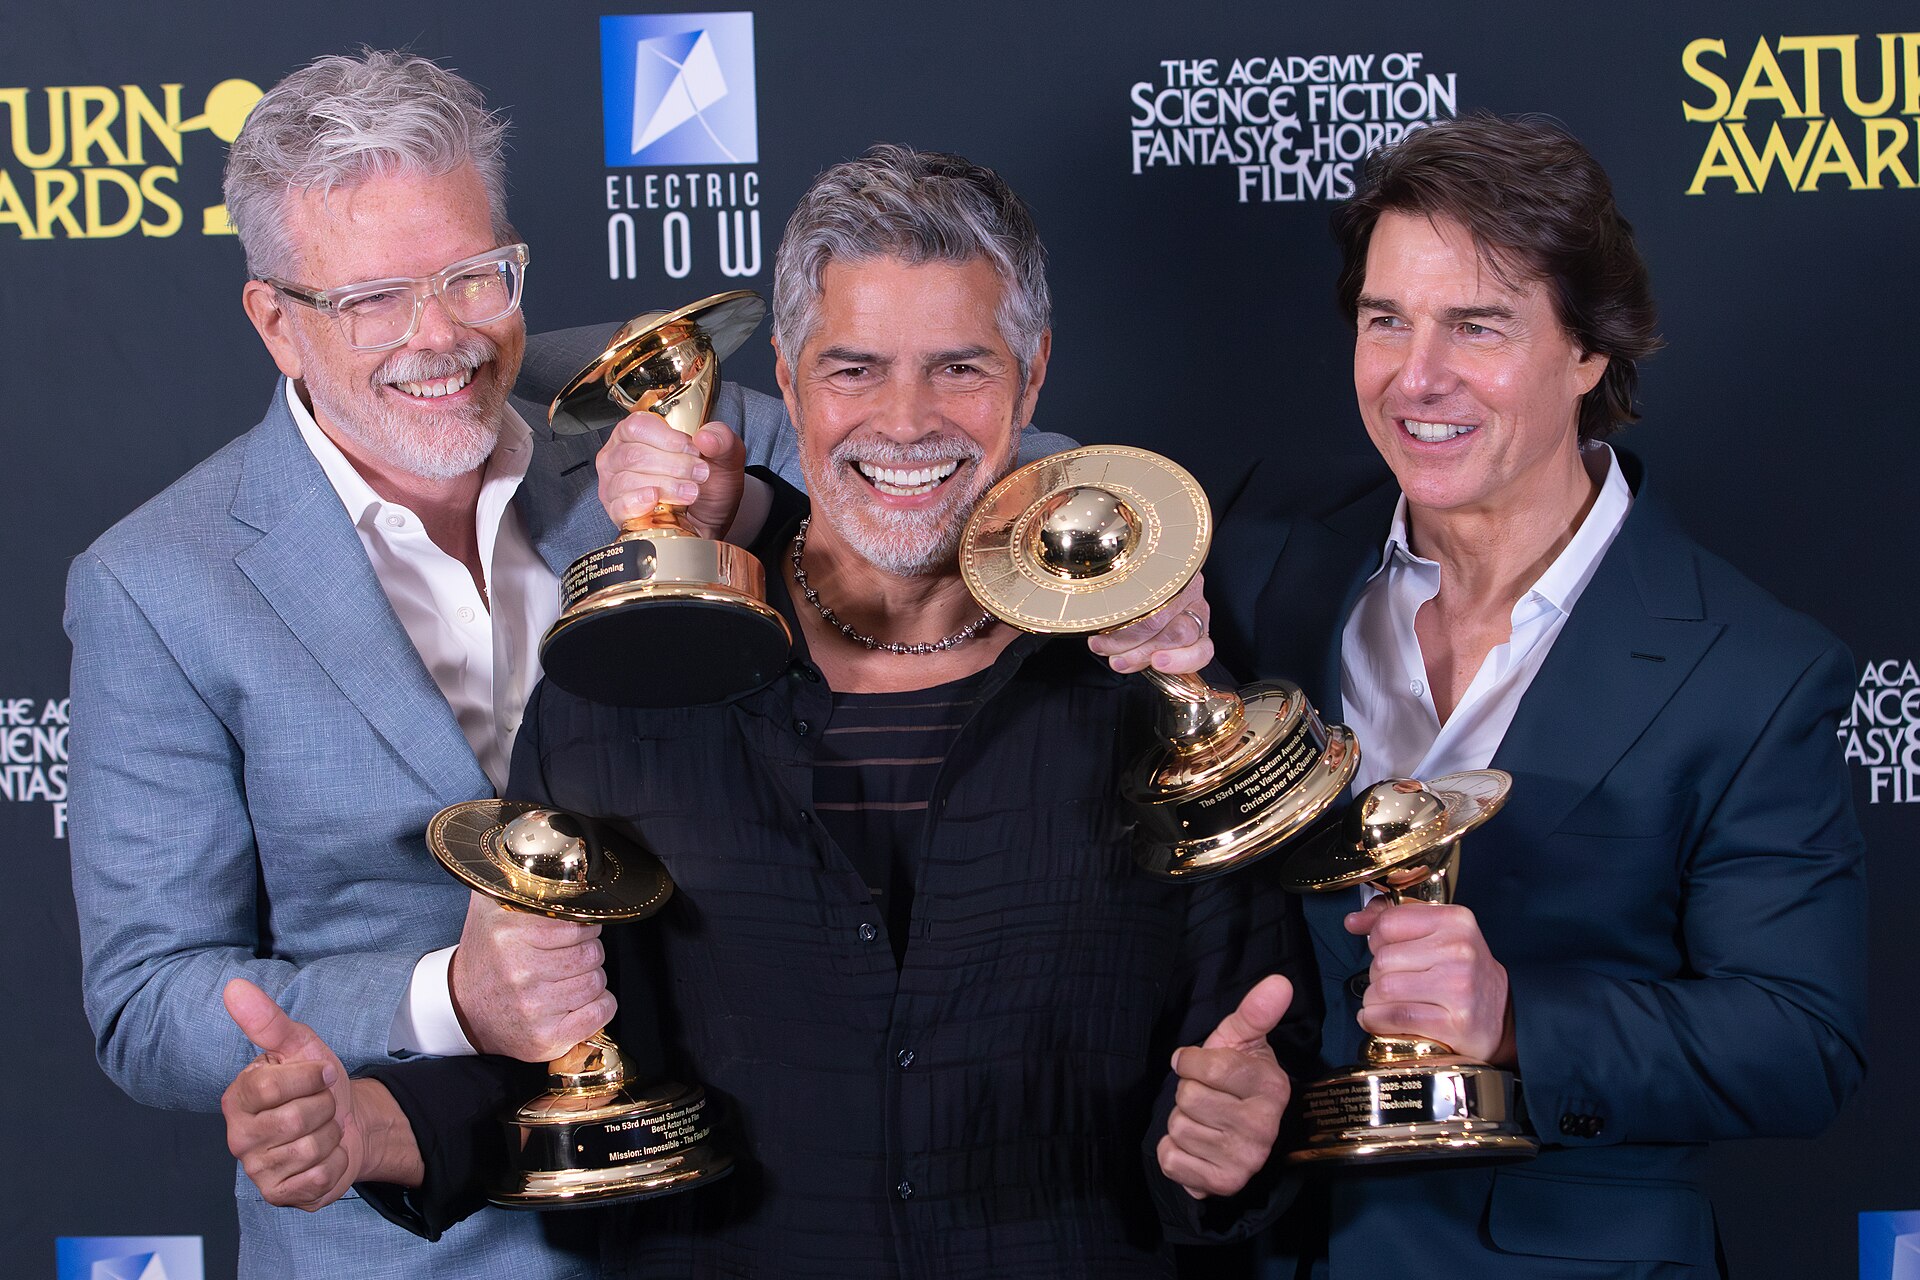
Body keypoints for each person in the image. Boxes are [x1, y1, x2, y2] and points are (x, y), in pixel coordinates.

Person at [218, 144, 1312, 1279]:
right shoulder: (619, 687)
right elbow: (564, 1063)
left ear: (1031, 380)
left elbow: (1253, 1040)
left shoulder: (1157, 680)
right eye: (854, 369)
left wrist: (1232, 1149)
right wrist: (374, 1127)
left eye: (959, 368)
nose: (905, 421)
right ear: (786, 379)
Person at [1207, 113, 1865, 1277]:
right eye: (1386, 320)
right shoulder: (1262, 564)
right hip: (1281, 1248)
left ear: (1590, 350)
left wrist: (1517, 1017)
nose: (1417, 376)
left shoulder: (1753, 670)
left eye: (1478, 325)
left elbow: (1801, 1040)